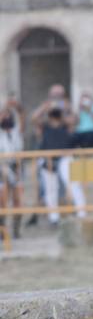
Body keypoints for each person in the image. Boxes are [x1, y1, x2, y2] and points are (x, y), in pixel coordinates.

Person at [32, 90, 85, 223]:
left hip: (65, 157)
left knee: (74, 184)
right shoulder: (44, 124)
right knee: (50, 189)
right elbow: (34, 119)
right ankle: (53, 217)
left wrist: (67, 108)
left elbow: (75, 120)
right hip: (48, 159)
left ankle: (81, 212)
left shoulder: (65, 123)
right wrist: (45, 107)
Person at [1, 95, 25, 239]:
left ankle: (16, 231)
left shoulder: (16, 132)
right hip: (1, 166)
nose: (6, 117)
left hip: (16, 166)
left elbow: (22, 116)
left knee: (18, 200)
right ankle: (2, 230)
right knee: (2, 200)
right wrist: (3, 108)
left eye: (8, 115)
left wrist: (16, 106)